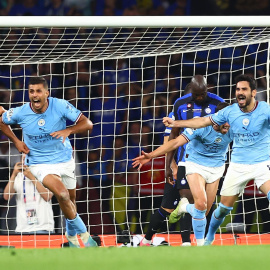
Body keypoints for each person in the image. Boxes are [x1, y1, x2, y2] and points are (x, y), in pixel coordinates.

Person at [163, 74, 270, 245]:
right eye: (238, 89)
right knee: (216, 209)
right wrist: (175, 124)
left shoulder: (263, 109)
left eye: (244, 89)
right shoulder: (227, 112)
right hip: (227, 165)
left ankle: (204, 239)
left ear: (254, 92)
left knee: (204, 209)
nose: (240, 92)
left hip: (257, 164)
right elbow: (199, 124)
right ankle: (202, 238)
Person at [0, 76, 97, 248]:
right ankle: (85, 236)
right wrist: (16, 141)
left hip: (65, 159)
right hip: (39, 163)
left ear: (46, 93)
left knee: (70, 200)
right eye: (31, 91)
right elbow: (1, 118)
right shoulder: (21, 112)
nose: (34, 95)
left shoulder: (59, 105)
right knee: (62, 194)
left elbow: (87, 124)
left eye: (38, 91)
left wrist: (68, 130)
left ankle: (71, 236)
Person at [133, 102, 231, 246]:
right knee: (201, 204)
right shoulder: (200, 126)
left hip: (216, 167)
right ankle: (199, 246)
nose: (229, 125)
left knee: (202, 212)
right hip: (194, 164)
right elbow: (174, 143)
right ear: (218, 119)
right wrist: (151, 156)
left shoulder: (234, 126)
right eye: (226, 123)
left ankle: (184, 207)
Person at [165, 75, 224, 246]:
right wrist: (170, 163)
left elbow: (227, 129)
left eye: (203, 94)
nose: (200, 97)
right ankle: (192, 242)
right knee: (196, 200)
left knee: (204, 208)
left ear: (207, 89)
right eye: (196, 94)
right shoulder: (179, 104)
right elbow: (174, 136)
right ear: (191, 90)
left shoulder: (218, 103)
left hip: (214, 161)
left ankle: (191, 219)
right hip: (189, 159)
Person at [3, 157, 54, 234]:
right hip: (22, 228)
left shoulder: (45, 173)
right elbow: (6, 196)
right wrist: (13, 174)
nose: (25, 161)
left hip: (43, 227)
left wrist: (31, 177)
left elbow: (47, 196)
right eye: (23, 159)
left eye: (28, 158)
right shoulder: (19, 176)